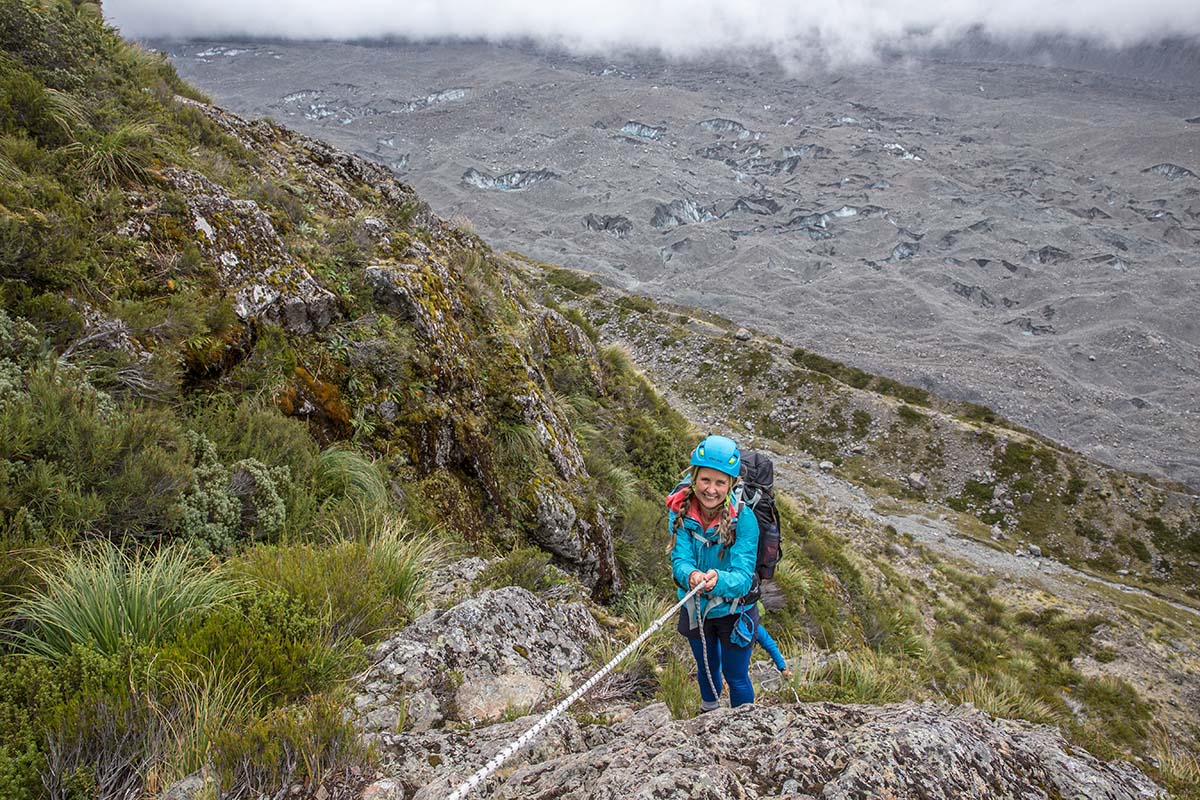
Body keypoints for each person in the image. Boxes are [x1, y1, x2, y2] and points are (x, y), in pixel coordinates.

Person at [667, 434, 760, 711]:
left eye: (720, 482)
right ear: (694, 478)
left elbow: (743, 578)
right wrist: (692, 575)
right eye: (705, 480)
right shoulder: (680, 511)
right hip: (696, 606)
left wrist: (717, 581)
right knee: (706, 669)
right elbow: (680, 559)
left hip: (735, 611)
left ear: (731, 484)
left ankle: (744, 727)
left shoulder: (744, 519)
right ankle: (709, 717)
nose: (711, 489)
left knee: (736, 676)